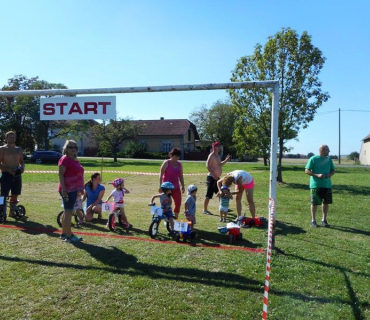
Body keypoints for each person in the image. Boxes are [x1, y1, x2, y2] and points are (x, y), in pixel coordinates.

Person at [58, 140, 84, 243]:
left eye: (74, 147)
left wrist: (80, 188)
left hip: (74, 190)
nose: (73, 149)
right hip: (67, 190)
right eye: (70, 147)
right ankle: (69, 236)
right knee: (69, 212)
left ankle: (64, 233)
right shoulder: (64, 160)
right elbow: (60, 175)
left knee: (67, 211)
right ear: (66, 149)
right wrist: (64, 190)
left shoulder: (74, 159)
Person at [305, 144, 335, 227]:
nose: (329, 151)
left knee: (326, 203)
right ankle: (313, 220)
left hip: (327, 185)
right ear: (321, 150)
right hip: (316, 185)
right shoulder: (313, 159)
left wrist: (329, 174)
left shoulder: (329, 159)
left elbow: (333, 170)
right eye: (327, 150)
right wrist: (316, 175)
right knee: (314, 203)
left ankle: (324, 219)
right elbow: (307, 170)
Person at [0, 131, 25, 218]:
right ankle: (1, 211)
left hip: (17, 175)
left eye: (13, 137)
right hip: (6, 175)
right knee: (3, 195)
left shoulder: (18, 149)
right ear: (6, 138)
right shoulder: (2, 149)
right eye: (10, 137)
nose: (12, 139)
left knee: (15, 194)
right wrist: (8, 170)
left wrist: (22, 168)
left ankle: (12, 211)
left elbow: (22, 162)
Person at [203, 141, 230, 215]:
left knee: (221, 191)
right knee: (209, 193)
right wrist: (213, 174)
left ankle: (223, 207)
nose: (219, 147)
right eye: (217, 146)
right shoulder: (211, 155)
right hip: (211, 177)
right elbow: (207, 165)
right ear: (214, 147)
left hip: (217, 178)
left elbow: (219, 164)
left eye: (219, 146)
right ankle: (205, 210)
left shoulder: (218, 155)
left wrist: (226, 161)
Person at [159, 148, 185, 219]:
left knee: (178, 203)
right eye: (175, 156)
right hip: (166, 188)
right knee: (166, 204)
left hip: (176, 187)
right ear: (171, 155)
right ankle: (166, 218)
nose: (177, 158)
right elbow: (161, 175)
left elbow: (181, 176)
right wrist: (160, 186)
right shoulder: (166, 163)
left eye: (178, 157)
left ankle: (175, 218)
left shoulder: (179, 165)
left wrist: (183, 186)